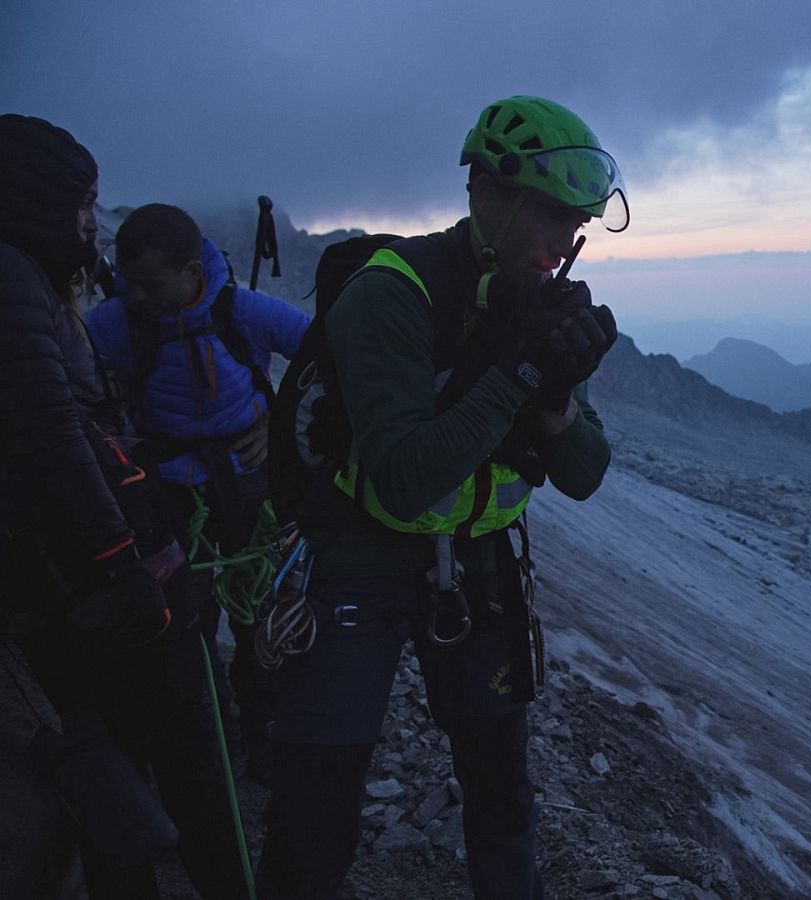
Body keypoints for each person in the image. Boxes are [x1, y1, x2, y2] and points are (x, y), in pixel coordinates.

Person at [253, 95, 625, 899]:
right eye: (552, 216)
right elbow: (406, 476)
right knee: (315, 816)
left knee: (502, 796)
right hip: (358, 553)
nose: (567, 242)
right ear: (485, 196)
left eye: (578, 221)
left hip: (481, 563)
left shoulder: (542, 306)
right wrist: (520, 375)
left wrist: (557, 398)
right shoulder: (392, 294)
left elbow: (586, 474)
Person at [0, 114, 250, 898]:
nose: (89, 225)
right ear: (37, 202)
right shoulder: (13, 280)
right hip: (95, 577)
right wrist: (122, 560)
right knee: (181, 753)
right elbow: (50, 431)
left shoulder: (30, 281)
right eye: (83, 205)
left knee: (109, 758)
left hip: (61, 585)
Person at [85, 202, 311, 780]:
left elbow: (323, 354)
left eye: (149, 284)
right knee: (192, 618)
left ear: (192, 271)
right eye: (129, 281)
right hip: (171, 489)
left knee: (256, 611)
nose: (135, 295)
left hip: (242, 482)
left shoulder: (239, 310)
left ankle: (258, 737)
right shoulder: (118, 322)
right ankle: (214, 743)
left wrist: (278, 419)